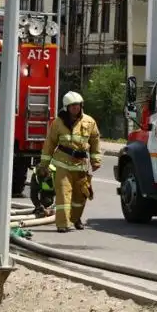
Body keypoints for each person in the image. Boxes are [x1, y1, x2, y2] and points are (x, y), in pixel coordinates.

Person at [37, 91, 102, 233]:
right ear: (66, 107)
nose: (75, 108)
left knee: (81, 196)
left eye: (78, 105)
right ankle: (63, 224)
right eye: (72, 106)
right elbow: (49, 144)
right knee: (64, 194)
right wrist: (44, 165)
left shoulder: (89, 122)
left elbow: (95, 142)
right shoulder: (58, 123)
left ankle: (75, 218)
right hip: (63, 164)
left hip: (81, 165)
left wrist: (96, 160)